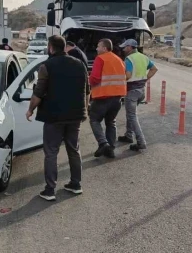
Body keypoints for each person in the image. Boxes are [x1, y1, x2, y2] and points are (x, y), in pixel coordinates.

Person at [26, 35, 88, 201]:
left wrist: (30, 109)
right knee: (73, 149)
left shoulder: (47, 66)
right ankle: (76, 184)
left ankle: (50, 190)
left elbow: (38, 92)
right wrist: (84, 111)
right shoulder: (80, 64)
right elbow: (86, 91)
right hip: (75, 115)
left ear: (51, 48)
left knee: (51, 152)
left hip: (54, 116)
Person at [89, 38, 127, 159]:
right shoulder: (119, 60)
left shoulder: (100, 59)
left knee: (94, 120)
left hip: (102, 97)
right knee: (111, 122)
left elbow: (94, 79)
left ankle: (103, 143)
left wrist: (87, 79)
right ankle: (110, 149)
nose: (96, 48)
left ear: (104, 48)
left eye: (98, 46)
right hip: (117, 98)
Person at [117, 39, 158, 151]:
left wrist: (118, 81)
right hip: (141, 91)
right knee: (130, 114)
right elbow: (154, 69)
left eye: (125, 47)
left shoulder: (129, 59)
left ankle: (141, 142)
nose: (123, 49)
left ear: (130, 47)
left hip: (132, 91)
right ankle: (128, 135)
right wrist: (145, 78)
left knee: (132, 116)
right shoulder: (143, 57)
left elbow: (128, 75)